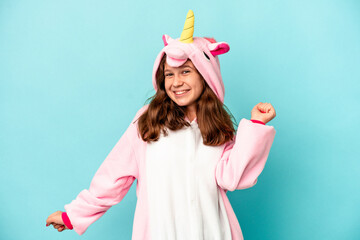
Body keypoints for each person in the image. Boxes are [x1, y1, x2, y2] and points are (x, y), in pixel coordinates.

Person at [46, 10, 276, 240]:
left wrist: (256, 125)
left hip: (213, 233)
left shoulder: (216, 127)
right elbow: (113, 175)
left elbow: (232, 177)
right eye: (169, 74)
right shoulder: (149, 121)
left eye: (186, 72)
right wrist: (73, 215)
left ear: (206, 76)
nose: (177, 82)